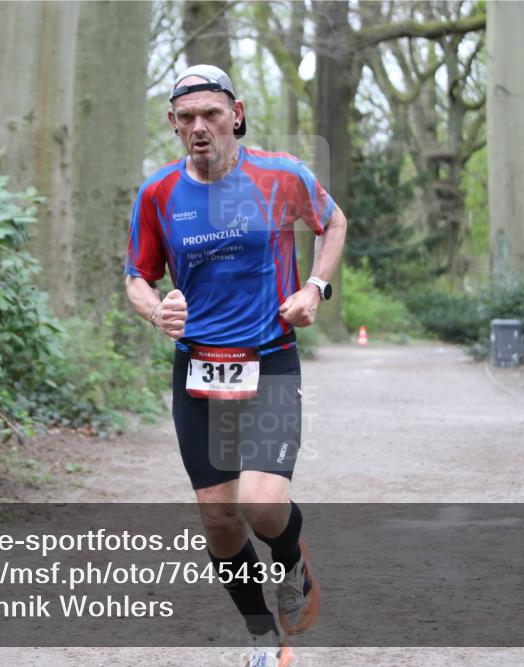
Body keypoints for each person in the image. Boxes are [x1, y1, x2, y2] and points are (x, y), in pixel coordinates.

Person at [125, 64, 347, 667]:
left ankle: (292, 559)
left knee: (262, 505)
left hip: (268, 361)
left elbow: (332, 222)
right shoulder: (158, 193)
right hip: (197, 370)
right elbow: (136, 277)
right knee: (220, 516)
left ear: (237, 114)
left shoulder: (281, 175)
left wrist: (316, 289)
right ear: (173, 124)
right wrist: (155, 312)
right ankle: (260, 638)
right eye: (187, 117)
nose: (200, 127)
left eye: (212, 114)